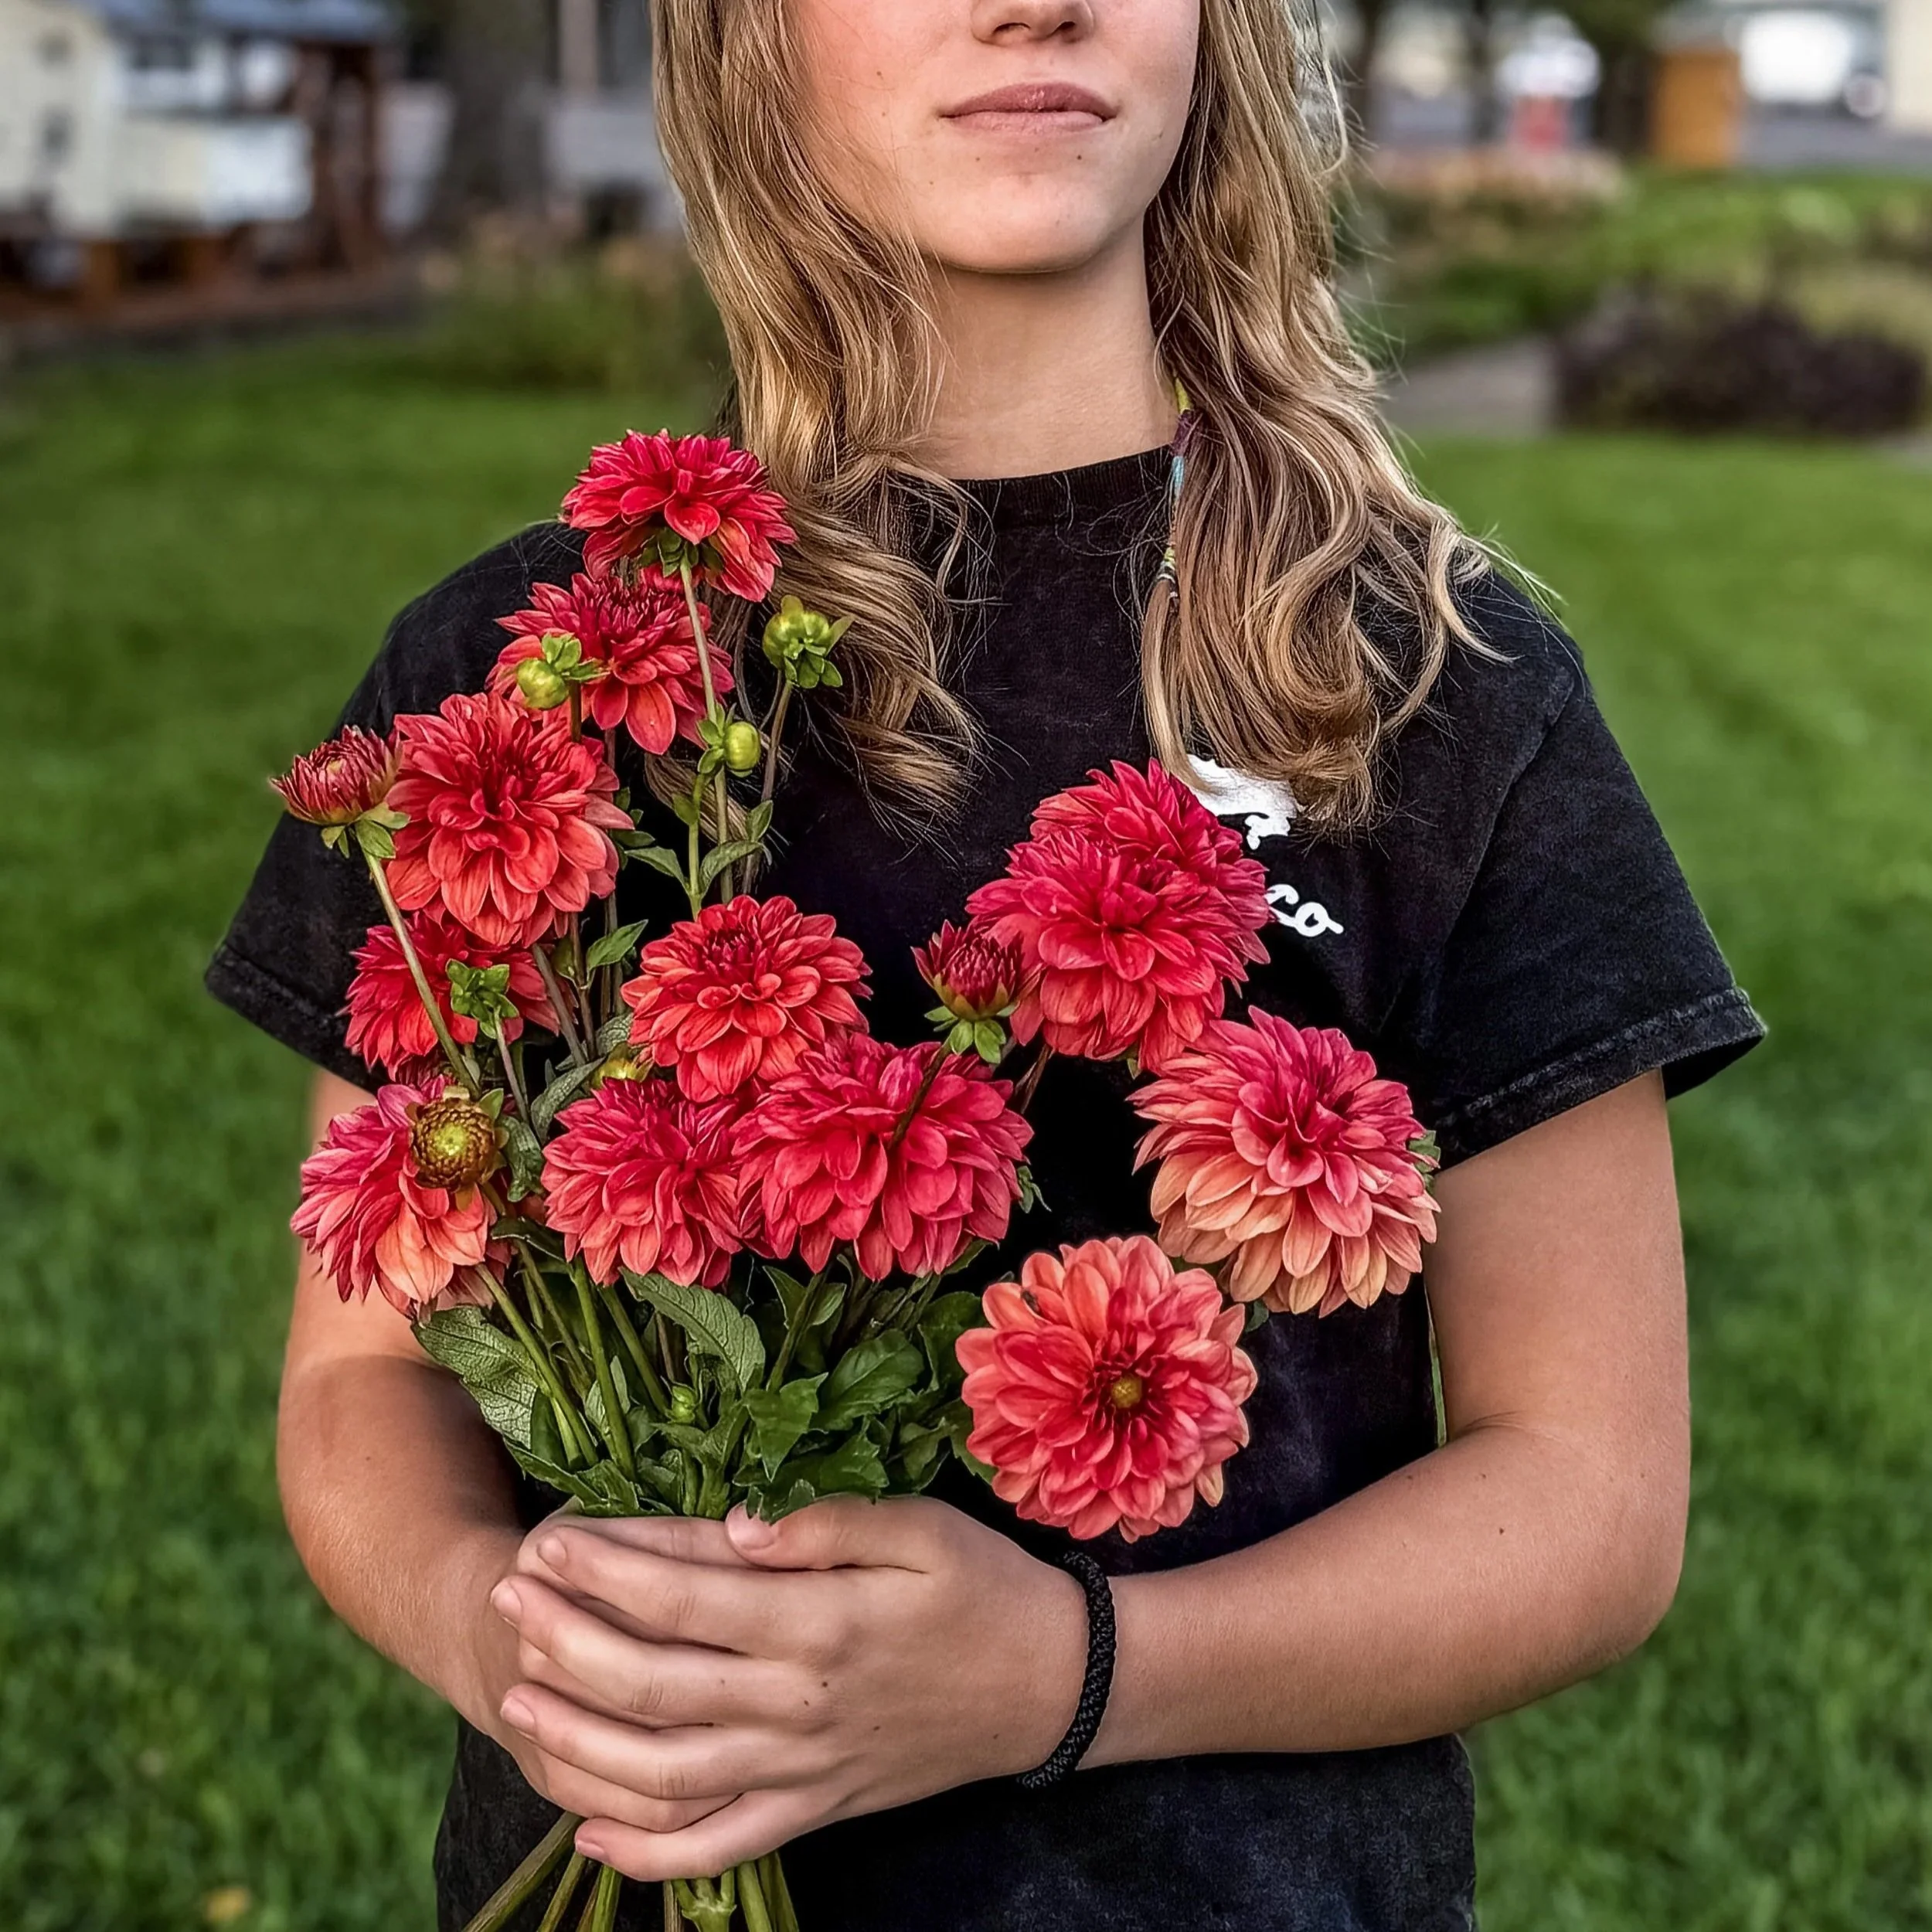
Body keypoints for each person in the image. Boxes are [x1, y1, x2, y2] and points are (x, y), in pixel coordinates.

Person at [207, 2, 1765, 1927]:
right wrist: (518, 1640)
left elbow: (1589, 1501)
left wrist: (1066, 1673)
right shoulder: (516, 680)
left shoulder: (1427, 684)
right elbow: (365, 1371)